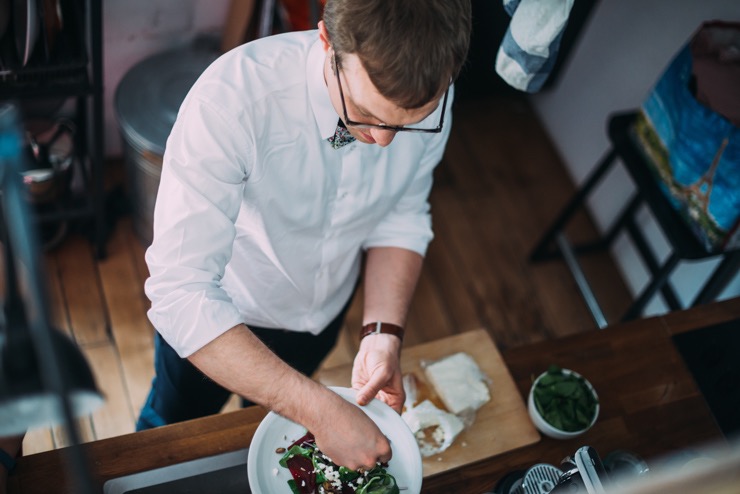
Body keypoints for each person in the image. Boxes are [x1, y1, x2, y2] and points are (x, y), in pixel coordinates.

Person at [136, 0, 472, 471]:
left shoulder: (428, 87)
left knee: (256, 441)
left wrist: (381, 333)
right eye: (363, 112)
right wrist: (318, 409)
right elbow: (180, 293)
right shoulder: (229, 102)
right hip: (216, 321)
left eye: (411, 121)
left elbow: (402, 213)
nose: (386, 141)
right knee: (168, 438)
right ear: (326, 43)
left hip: (319, 318)